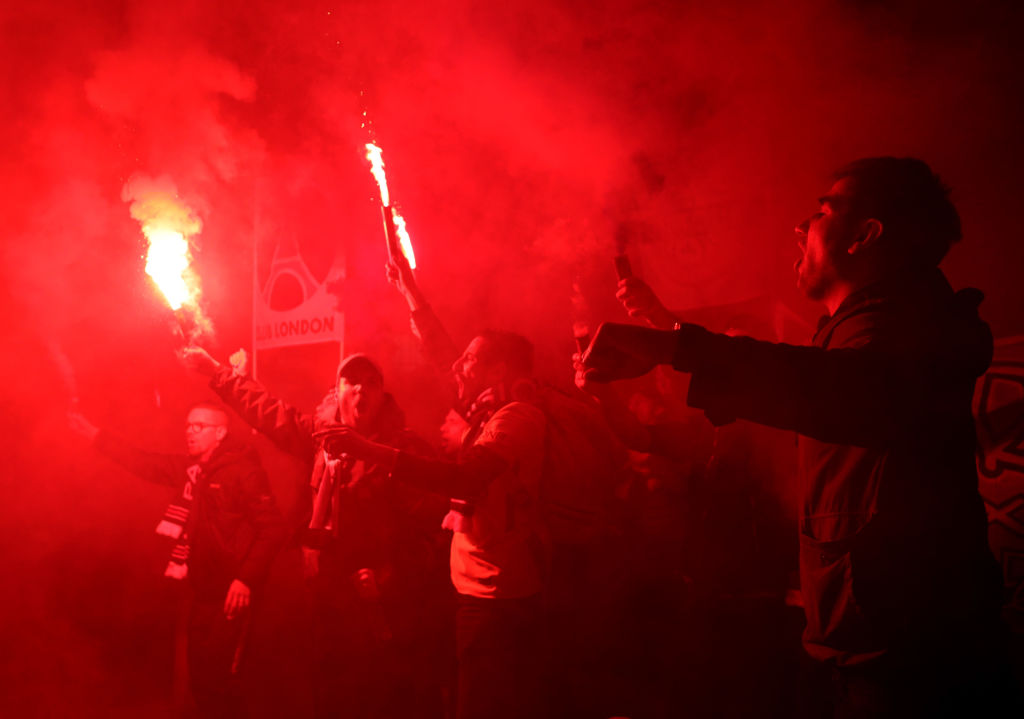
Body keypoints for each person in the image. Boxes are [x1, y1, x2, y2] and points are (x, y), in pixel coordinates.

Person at [582, 157, 1018, 717]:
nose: (800, 226)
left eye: (822, 211)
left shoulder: (905, 326)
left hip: (910, 659)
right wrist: (668, 335)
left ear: (866, 235)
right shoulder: (876, 326)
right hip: (888, 643)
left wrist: (676, 347)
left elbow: (845, 388)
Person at [181, 347, 451, 719]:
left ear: (382, 396)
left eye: (371, 383)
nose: (361, 390)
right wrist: (216, 370)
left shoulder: (402, 451)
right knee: (333, 696)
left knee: (389, 699)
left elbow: (434, 530)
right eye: (352, 382)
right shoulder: (320, 439)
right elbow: (267, 410)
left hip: (388, 609)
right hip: (330, 599)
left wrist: (392, 575)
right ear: (337, 392)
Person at [69, 402, 287, 718]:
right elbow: (144, 463)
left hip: (232, 596)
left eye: (199, 426)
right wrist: (96, 436)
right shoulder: (192, 471)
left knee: (222, 681)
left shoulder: (245, 472)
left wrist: (245, 580)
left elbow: (272, 529)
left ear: (221, 433)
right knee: (200, 679)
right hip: (201, 590)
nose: (190, 432)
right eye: (188, 425)